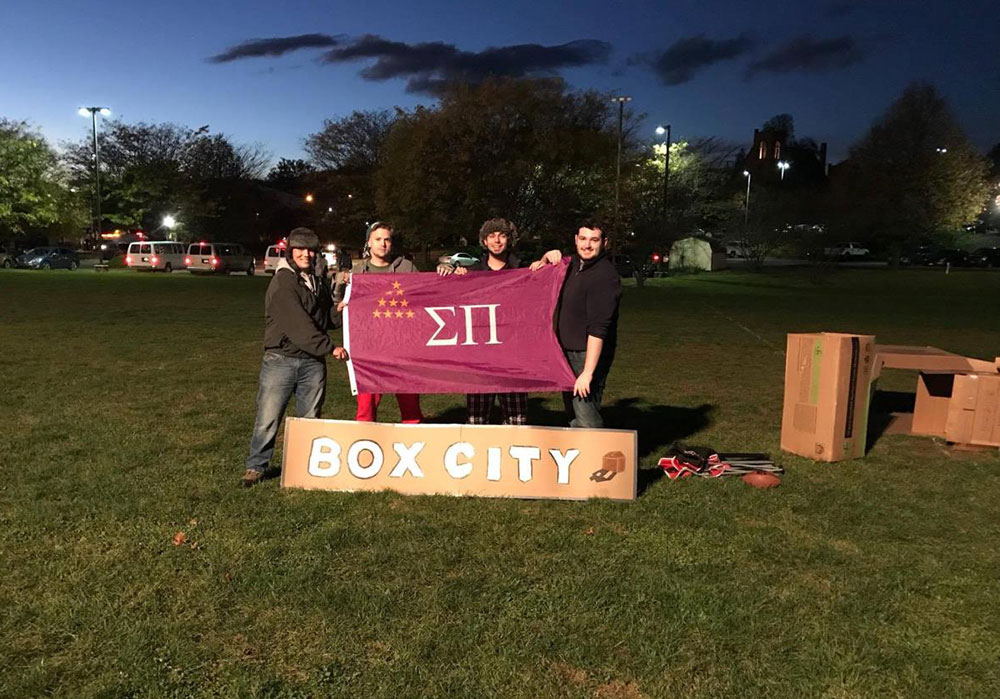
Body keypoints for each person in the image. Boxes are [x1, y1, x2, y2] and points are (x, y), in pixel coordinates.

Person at [243, 228, 347, 487]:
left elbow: (323, 318)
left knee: (309, 419)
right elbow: (298, 325)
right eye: (300, 249)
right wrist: (330, 348)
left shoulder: (315, 280)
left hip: (312, 362)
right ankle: (256, 466)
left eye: (310, 250)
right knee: (268, 418)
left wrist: (342, 311)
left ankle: (303, 466)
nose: (306, 254)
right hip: (281, 360)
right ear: (290, 252)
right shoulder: (283, 282)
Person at [437, 217, 527, 425]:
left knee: (517, 423)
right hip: (481, 358)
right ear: (484, 241)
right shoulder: (473, 273)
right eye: (491, 236)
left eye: (502, 236)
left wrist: (548, 259)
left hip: (513, 358)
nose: (497, 241)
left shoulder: (521, 271)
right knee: (476, 423)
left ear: (509, 239)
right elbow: (446, 298)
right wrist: (447, 272)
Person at [530, 222, 621, 428]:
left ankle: (596, 447)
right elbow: (545, 268)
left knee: (586, 414)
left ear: (604, 243)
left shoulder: (605, 277)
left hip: (586, 355)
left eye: (594, 240)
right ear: (576, 240)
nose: (587, 245)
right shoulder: (572, 264)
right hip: (566, 352)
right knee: (573, 412)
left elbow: (599, 329)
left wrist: (587, 372)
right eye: (583, 239)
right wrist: (545, 258)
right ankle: (579, 445)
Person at [350, 221, 423, 423]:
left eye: (387, 239)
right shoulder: (357, 272)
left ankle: (414, 439)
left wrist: (448, 270)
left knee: (410, 405)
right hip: (370, 350)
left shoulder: (406, 268)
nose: (383, 244)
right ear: (369, 243)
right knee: (366, 408)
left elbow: (426, 295)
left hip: (402, 348)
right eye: (378, 239)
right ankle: (365, 440)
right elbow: (345, 305)